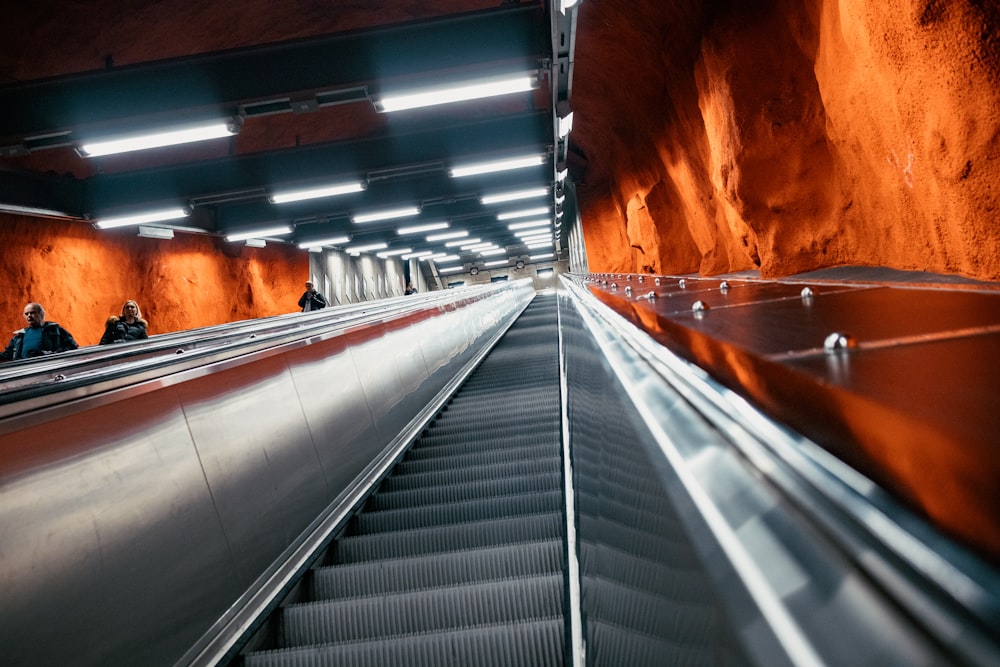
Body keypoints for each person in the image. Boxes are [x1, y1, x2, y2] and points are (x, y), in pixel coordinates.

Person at [0, 302, 79, 361]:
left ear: (41, 314)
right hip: (23, 371)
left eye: (32, 312)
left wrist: (52, 354)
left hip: (46, 368)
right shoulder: (20, 336)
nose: (29, 316)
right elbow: (8, 354)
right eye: (26, 314)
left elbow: (72, 347)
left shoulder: (55, 330)